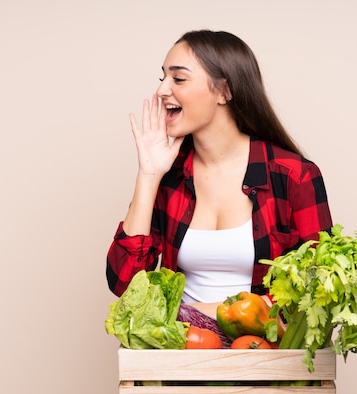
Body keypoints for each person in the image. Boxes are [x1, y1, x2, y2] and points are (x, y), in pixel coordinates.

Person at [106, 29, 333, 337]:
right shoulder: (170, 177)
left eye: (179, 79)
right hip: (184, 356)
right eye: (162, 78)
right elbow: (125, 283)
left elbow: (319, 296)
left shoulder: (293, 176)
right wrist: (148, 176)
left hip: (263, 360)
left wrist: (194, 313)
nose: (161, 90)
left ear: (224, 91)